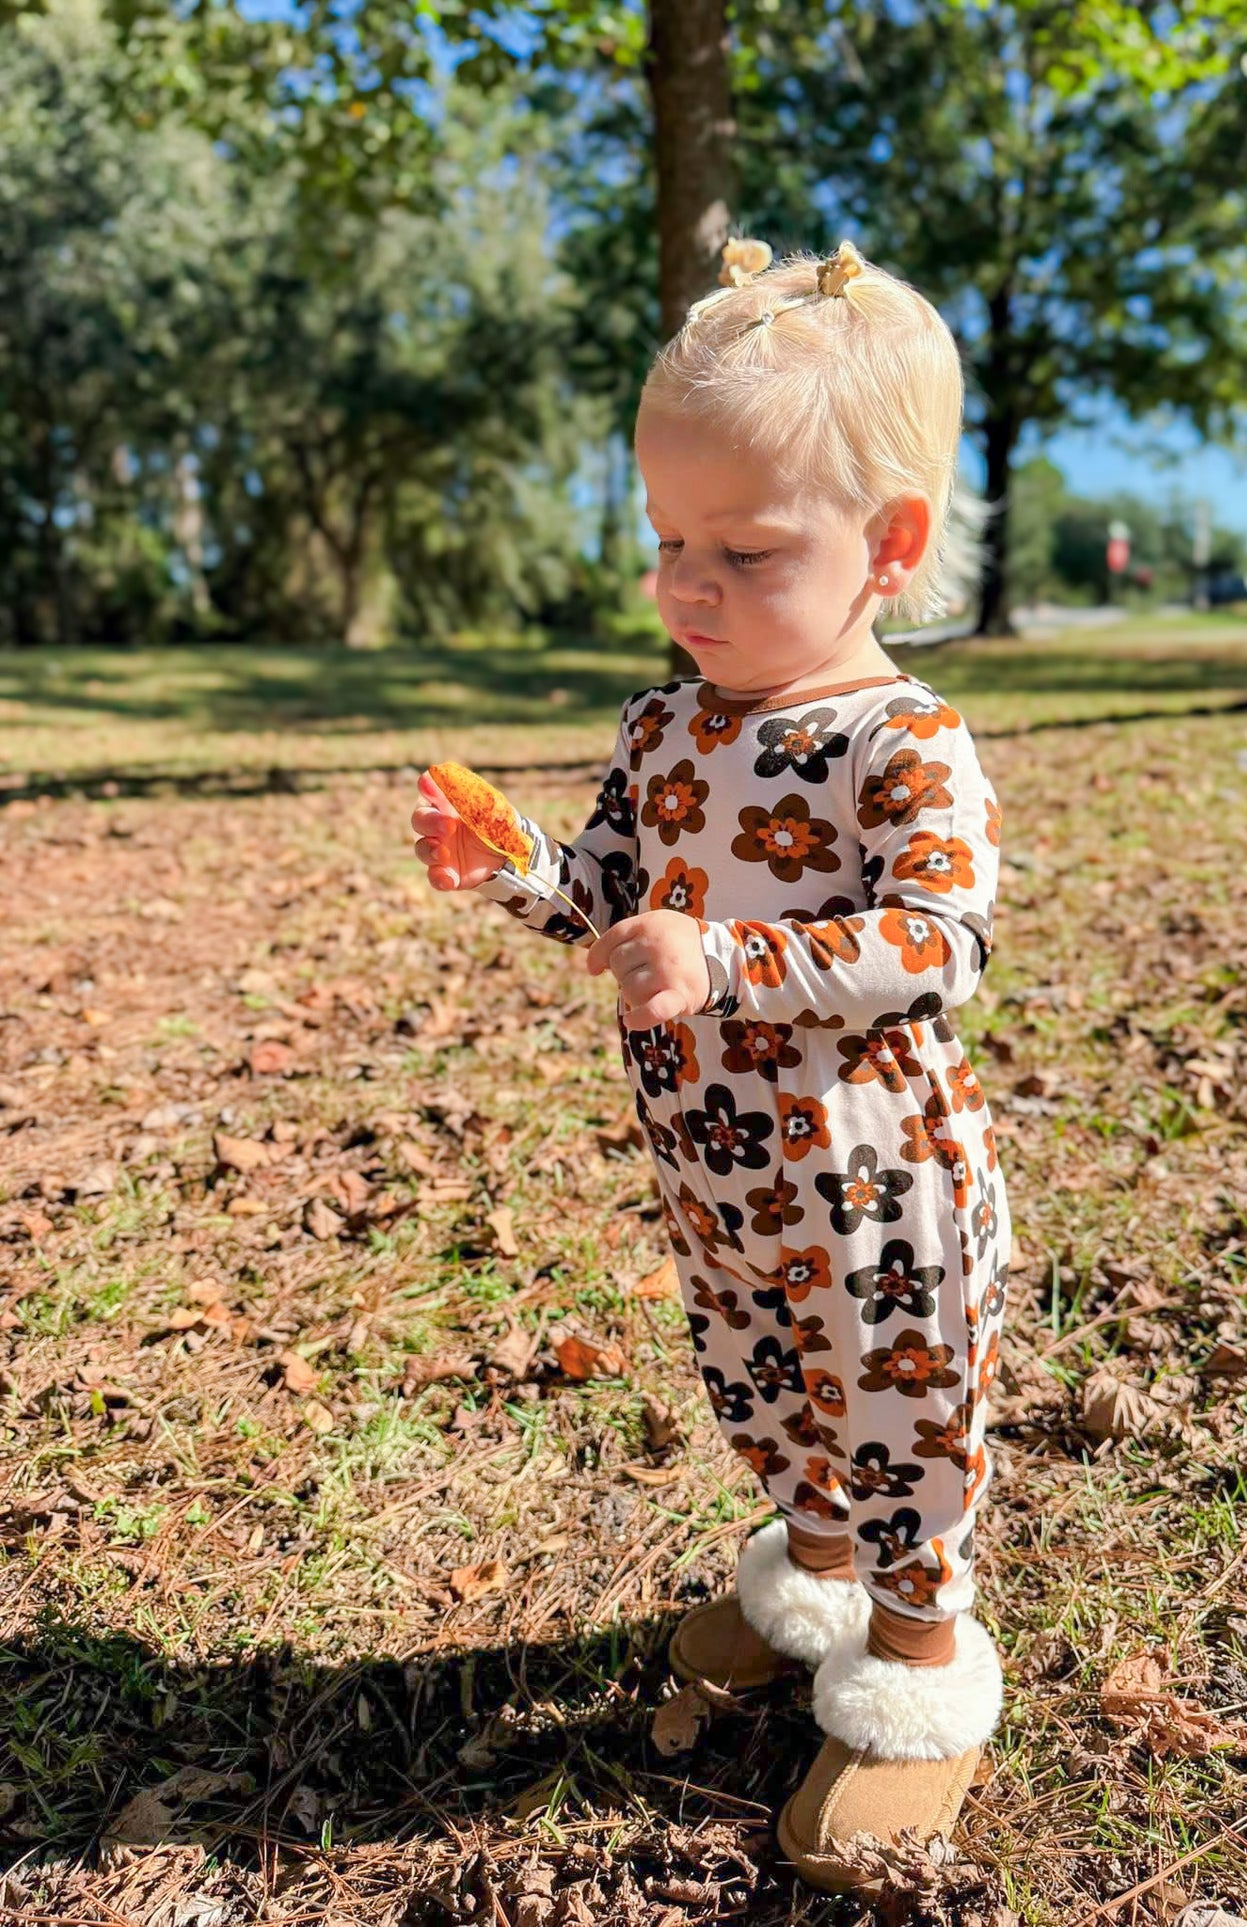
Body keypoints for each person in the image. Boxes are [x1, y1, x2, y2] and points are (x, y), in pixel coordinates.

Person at [410, 237, 1008, 1893]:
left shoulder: (903, 742)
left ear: (885, 548)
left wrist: (730, 954)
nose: (687, 587)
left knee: (889, 1403)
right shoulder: (666, 730)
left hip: (873, 1178)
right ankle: (803, 1572)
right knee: (759, 1376)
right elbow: (612, 893)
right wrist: (519, 863)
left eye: (743, 551)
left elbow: (937, 940)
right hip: (718, 1165)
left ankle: (912, 1664)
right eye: (668, 541)